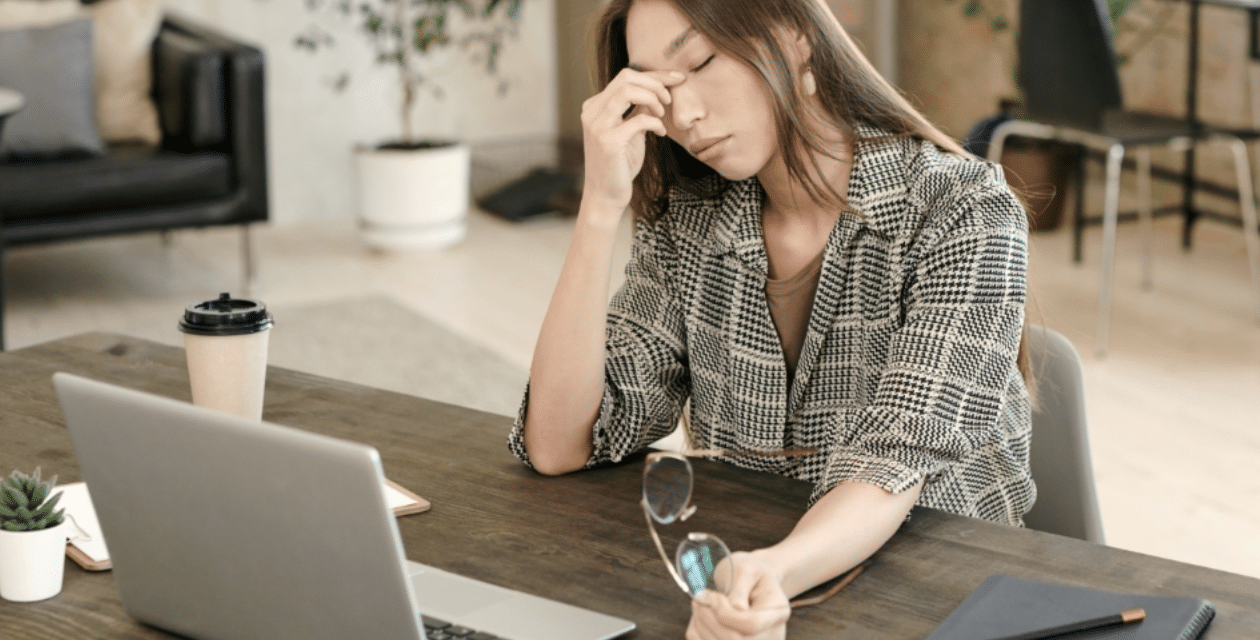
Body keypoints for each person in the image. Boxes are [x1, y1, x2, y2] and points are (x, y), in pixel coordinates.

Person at [508, 0, 1035, 637]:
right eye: (660, 90)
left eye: (700, 62)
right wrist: (599, 206)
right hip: (755, 585)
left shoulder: (964, 210)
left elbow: (895, 457)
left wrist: (772, 574)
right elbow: (559, 445)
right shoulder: (690, 217)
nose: (686, 115)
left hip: (944, 595)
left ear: (795, 38)